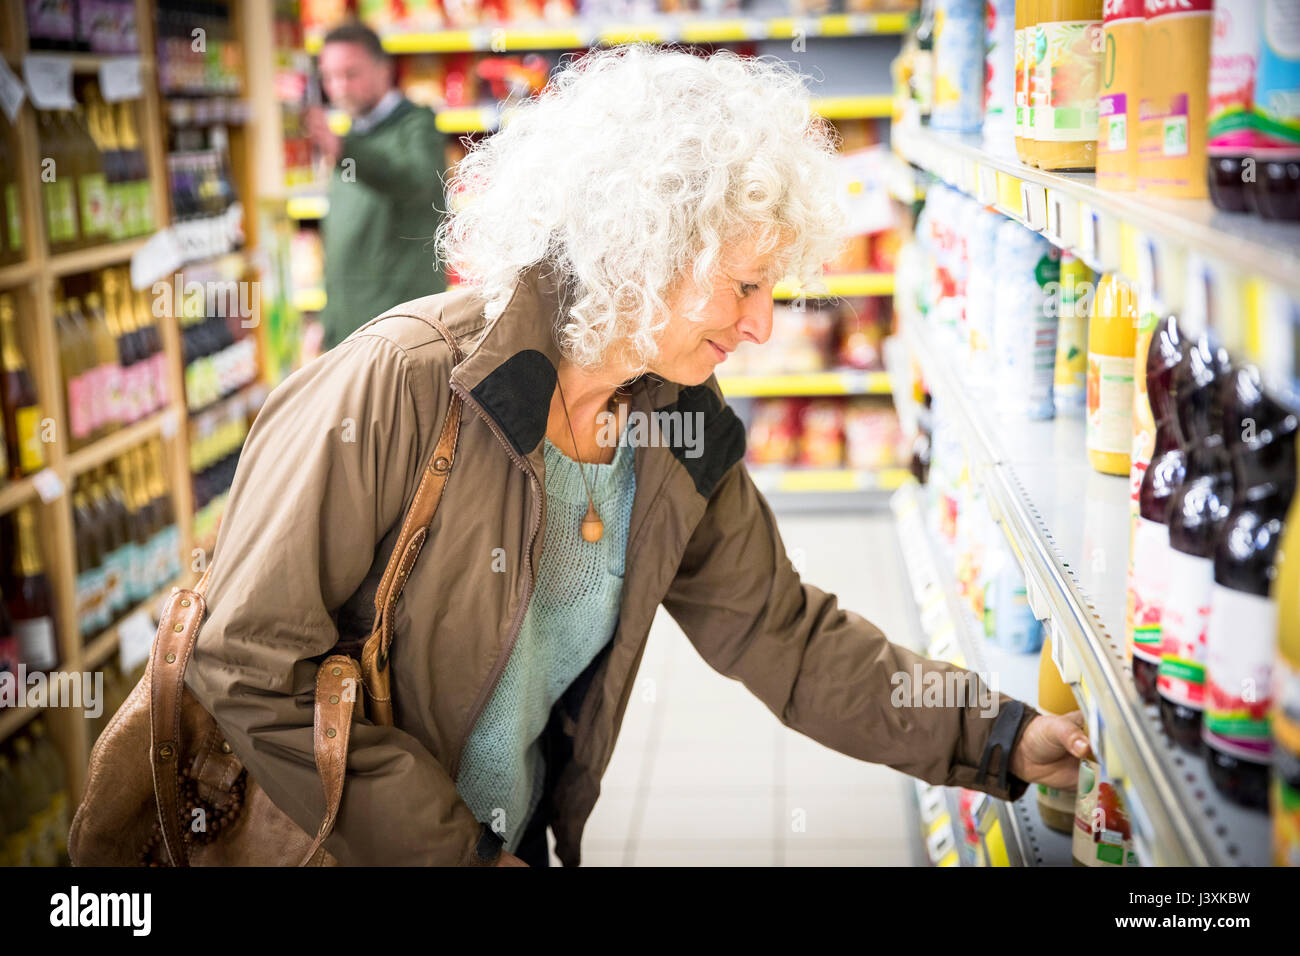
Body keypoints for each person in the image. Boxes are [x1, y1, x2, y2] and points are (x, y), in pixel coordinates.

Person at [187, 46, 1092, 867]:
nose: (763, 324)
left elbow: (781, 634)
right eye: (744, 285)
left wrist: (999, 735)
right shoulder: (406, 382)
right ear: (642, 251)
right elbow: (245, 657)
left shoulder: (674, 424)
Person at [302, 20, 447, 353]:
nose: (338, 88)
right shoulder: (352, 137)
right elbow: (343, 244)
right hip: (350, 330)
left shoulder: (416, 125)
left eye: (350, 74)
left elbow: (415, 181)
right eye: (329, 77)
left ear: (385, 70)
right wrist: (328, 323)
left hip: (401, 332)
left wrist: (343, 150)